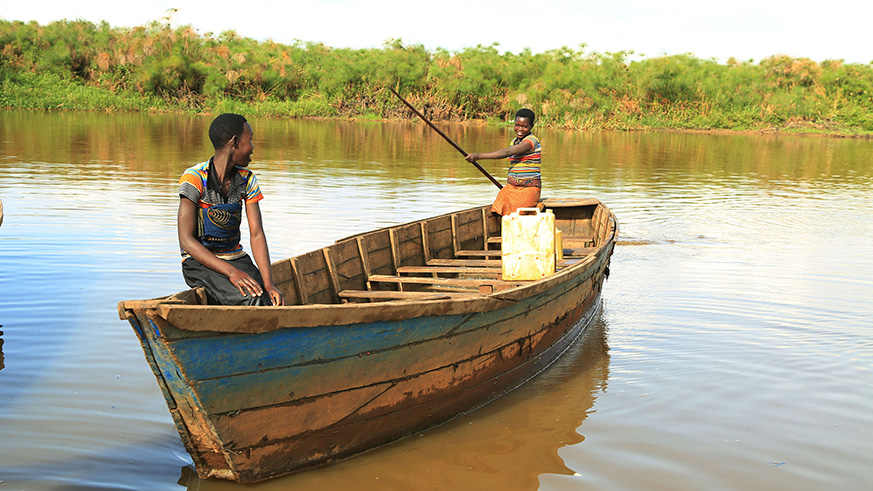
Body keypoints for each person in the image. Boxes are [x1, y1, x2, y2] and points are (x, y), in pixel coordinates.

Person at [177, 113, 284, 306]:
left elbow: (257, 234)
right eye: (249, 140)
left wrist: (269, 283)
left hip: (236, 258)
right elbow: (186, 240)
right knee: (253, 299)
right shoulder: (194, 178)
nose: (252, 147)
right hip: (201, 262)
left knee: (268, 299)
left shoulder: (247, 179)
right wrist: (231, 272)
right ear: (235, 142)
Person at [465, 108, 541, 215]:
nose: (520, 129)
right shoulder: (514, 142)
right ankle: (502, 231)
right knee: (497, 208)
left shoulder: (531, 141)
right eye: (517, 125)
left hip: (528, 189)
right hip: (511, 188)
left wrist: (478, 156)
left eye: (524, 126)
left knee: (515, 214)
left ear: (531, 126)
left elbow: (507, 152)